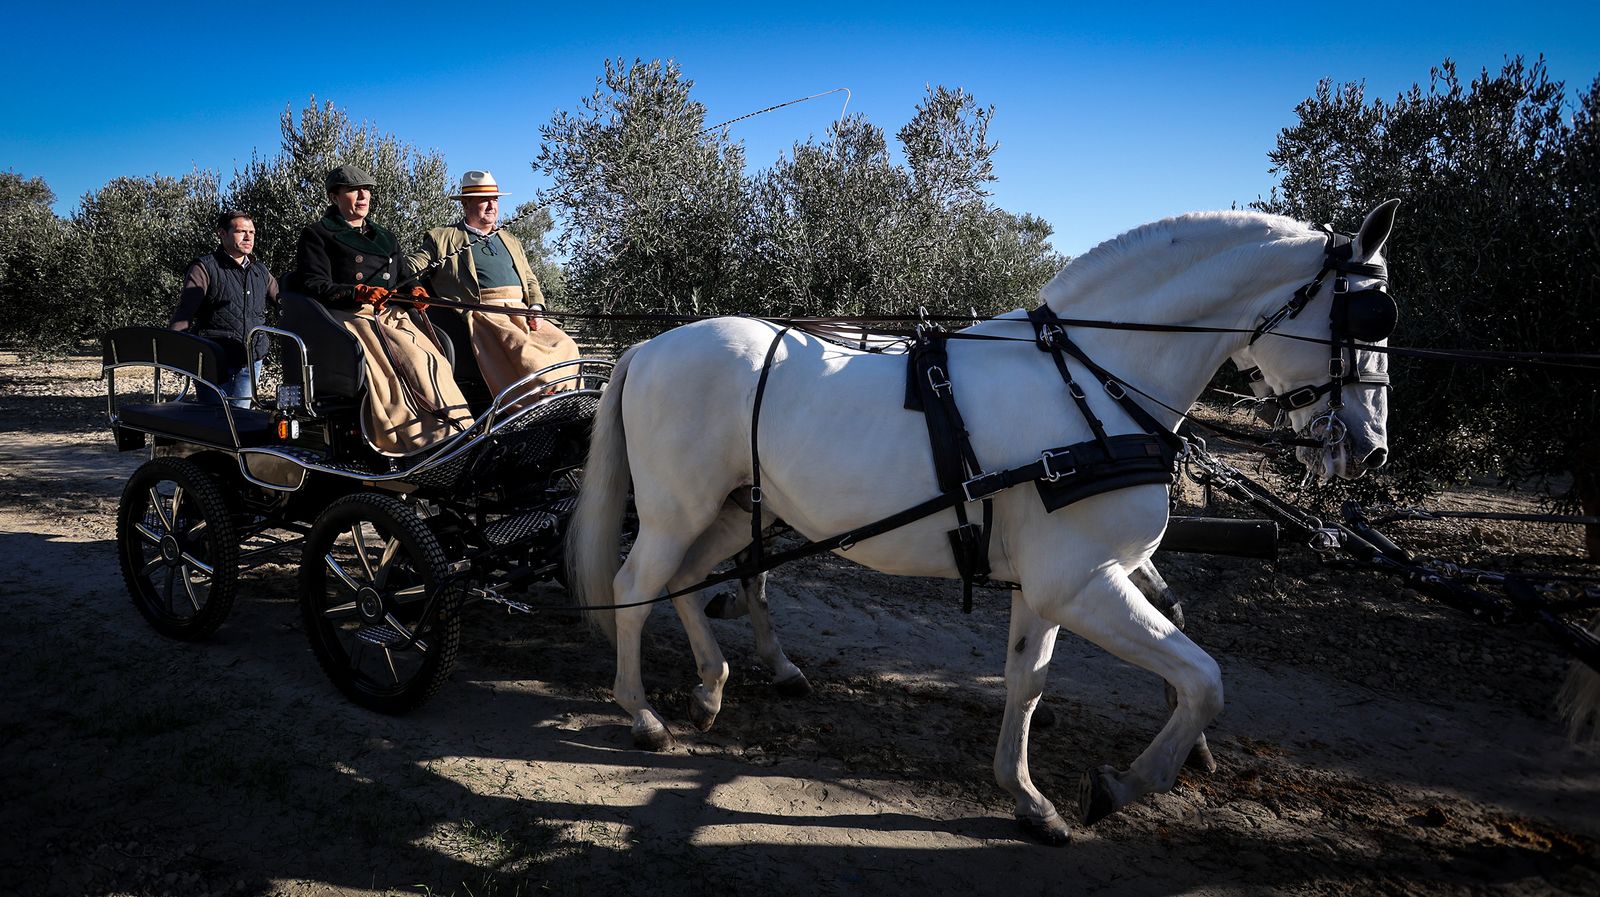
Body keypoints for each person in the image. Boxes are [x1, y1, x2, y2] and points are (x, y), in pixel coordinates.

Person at [286, 164, 474, 455]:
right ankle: (420, 438)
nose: (362, 196)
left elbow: (398, 281)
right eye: (353, 190)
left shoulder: (385, 237)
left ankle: (458, 428)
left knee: (434, 358)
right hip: (348, 317)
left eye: (367, 190)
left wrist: (414, 293)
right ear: (334, 197)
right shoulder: (318, 234)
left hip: (389, 314)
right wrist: (356, 291)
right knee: (412, 359)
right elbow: (314, 283)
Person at [403, 170, 579, 402]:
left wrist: (536, 306)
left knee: (567, 345)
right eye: (483, 200)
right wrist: (409, 283)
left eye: (494, 199)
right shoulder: (443, 238)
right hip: (485, 314)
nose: (491, 206)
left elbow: (530, 279)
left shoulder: (511, 240)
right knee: (526, 352)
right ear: (465, 204)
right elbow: (409, 265)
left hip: (522, 311)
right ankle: (535, 406)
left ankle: (570, 401)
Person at [170, 210, 279, 407]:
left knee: (240, 418)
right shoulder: (204, 267)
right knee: (216, 420)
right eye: (241, 231)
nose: (248, 237)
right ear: (222, 233)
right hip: (214, 359)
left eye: (252, 232)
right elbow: (186, 310)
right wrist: (176, 350)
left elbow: (282, 302)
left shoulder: (260, 271)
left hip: (250, 359)